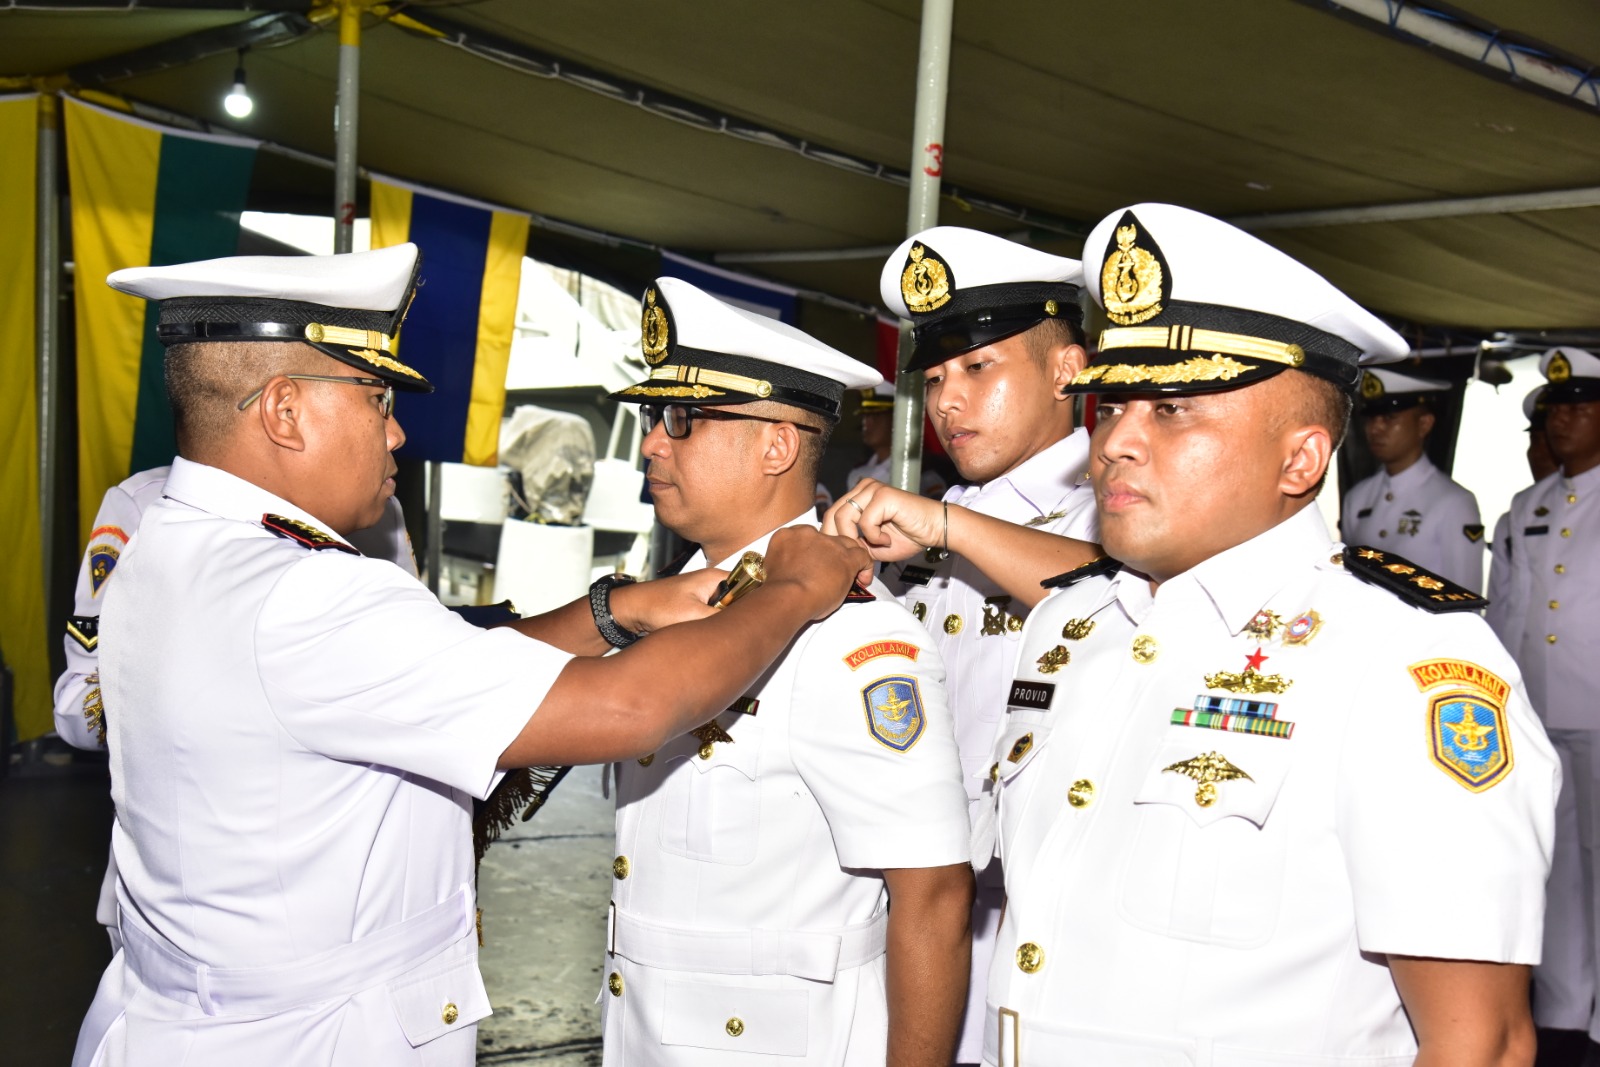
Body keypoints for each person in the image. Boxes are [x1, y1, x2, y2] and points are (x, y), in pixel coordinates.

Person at [73, 244, 871, 1067]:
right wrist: (793, 589)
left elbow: (433, 667)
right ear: (284, 409)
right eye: (376, 398)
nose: (395, 431)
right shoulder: (303, 593)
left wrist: (617, 609)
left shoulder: (168, 547)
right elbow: (629, 708)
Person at [976, 202, 1557, 1066]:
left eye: (1172, 409)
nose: (1116, 441)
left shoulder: (1400, 660)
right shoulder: (1071, 623)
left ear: (1301, 459)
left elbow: (1482, 1041)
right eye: (1113, 404)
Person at [601, 276, 975, 1066]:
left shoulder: (853, 636)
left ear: (777, 445)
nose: (652, 444)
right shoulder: (677, 602)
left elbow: (933, 893)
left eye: (681, 419)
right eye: (653, 417)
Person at [846, 225, 1100, 1065]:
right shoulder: (940, 515)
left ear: (1067, 369)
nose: (948, 401)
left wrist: (946, 526)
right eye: (935, 378)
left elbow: (1114, 590)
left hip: (1048, 923)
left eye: (979, 368)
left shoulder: (1111, 505)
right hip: (925, 908)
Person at [53, 467, 419, 952]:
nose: (395, 435)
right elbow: (74, 708)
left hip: (358, 871)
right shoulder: (147, 502)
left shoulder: (376, 506)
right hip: (196, 891)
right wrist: (207, 677)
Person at [1491, 348, 1600, 1056]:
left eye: (1580, 407)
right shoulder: (1526, 506)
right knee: (1551, 863)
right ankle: (1562, 1009)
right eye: (1556, 408)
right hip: (1537, 709)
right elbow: (1507, 609)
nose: (1562, 420)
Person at [1340, 366, 1485, 591]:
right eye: (1371, 418)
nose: (1376, 428)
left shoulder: (1453, 502)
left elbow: (1464, 595)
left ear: (1424, 424)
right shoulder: (1357, 498)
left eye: (1389, 417)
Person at [1485, 386, 1555, 636]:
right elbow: (1499, 607)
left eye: (1549, 442)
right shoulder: (1512, 519)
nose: (1539, 453)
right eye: (1534, 441)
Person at [843, 380, 945, 497]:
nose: (867, 423)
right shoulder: (858, 471)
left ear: (896, 419)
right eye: (865, 416)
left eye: (876, 415)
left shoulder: (921, 476)